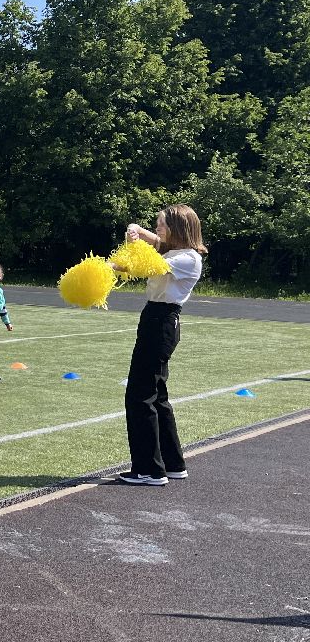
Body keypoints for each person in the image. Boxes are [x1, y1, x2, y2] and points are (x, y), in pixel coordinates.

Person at [115, 206, 206, 486]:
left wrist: (110, 267)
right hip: (155, 319)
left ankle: (148, 470)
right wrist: (135, 229)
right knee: (157, 395)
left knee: (139, 395)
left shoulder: (188, 258)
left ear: (178, 229)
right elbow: (150, 241)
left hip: (162, 321)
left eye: (162, 225)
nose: (158, 229)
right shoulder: (173, 251)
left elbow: (145, 265)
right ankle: (172, 463)